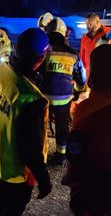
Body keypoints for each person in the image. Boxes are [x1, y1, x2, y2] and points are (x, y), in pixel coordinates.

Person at [66, 44, 111, 215]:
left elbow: (76, 153)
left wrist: (74, 184)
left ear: (94, 70)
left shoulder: (86, 109)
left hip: (98, 188)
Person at [0, 28, 52, 216]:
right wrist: (43, 177)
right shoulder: (30, 98)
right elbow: (30, 146)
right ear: (40, 59)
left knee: (4, 196)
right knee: (15, 206)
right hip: (19, 169)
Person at [38, 17, 86, 165]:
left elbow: (34, 73)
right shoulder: (72, 53)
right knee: (62, 126)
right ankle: (61, 155)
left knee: (41, 126)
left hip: (44, 97)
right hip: (64, 98)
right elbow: (81, 78)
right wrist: (78, 91)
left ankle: (40, 155)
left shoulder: (43, 51)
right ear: (64, 33)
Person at [80, 13, 111, 80]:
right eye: (86, 24)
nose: (87, 27)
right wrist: (87, 68)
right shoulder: (85, 37)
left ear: (97, 22)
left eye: (90, 24)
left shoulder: (108, 33)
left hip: (105, 72)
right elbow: (82, 55)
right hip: (90, 73)